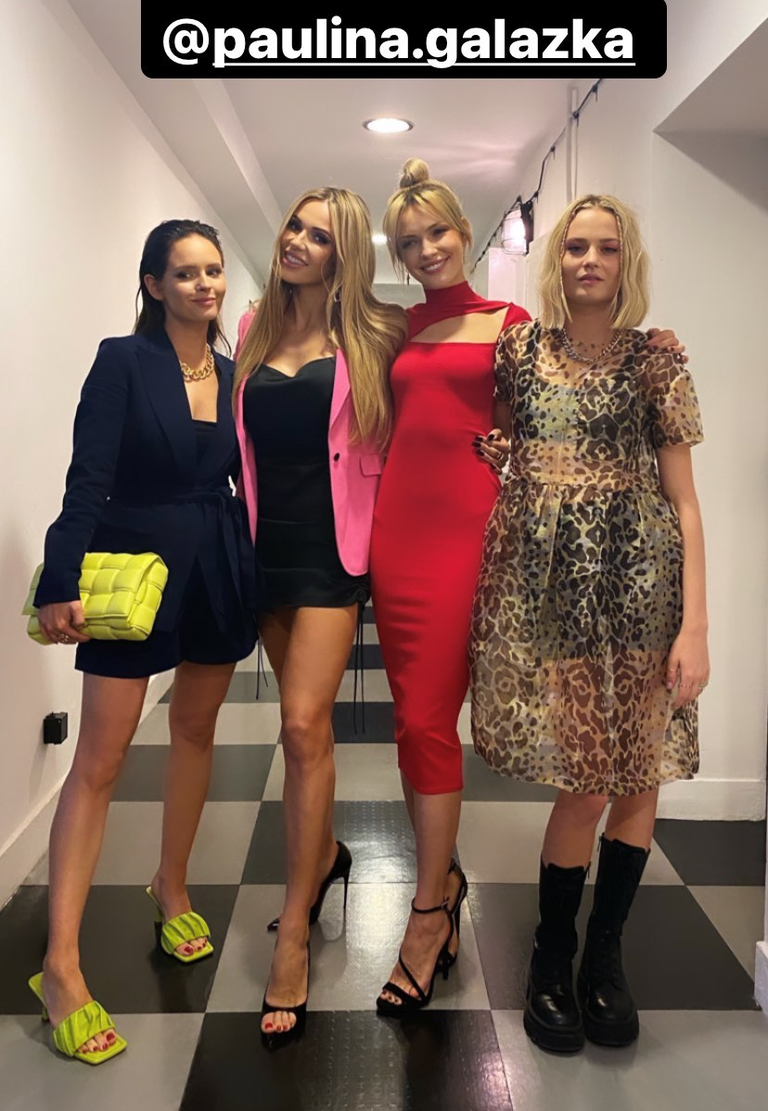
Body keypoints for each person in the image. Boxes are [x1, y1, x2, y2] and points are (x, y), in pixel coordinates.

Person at [468, 193, 708, 1053]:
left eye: (606, 247)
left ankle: (606, 953)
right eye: (576, 246)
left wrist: (695, 625)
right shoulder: (519, 351)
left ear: (625, 260)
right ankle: (550, 952)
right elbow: (501, 442)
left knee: (639, 774)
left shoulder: (657, 360)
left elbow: (685, 502)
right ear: (557, 259)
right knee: (585, 777)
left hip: (643, 586)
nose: (590, 261)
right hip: (553, 591)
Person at [28, 220, 259, 1065]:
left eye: (213, 270)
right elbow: (88, 474)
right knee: (101, 757)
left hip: (216, 565)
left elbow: (247, 475)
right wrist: (60, 573)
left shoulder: (233, 374)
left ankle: (172, 885)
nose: (205, 284)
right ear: (154, 284)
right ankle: (60, 964)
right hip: (134, 569)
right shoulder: (123, 360)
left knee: (194, 731)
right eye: (186, 272)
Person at [233, 187, 406, 1044]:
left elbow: (450, 377)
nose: (298, 240)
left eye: (321, 235)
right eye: (295, 226)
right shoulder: (251, 328)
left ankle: (294, 928)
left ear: (345, 256)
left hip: (335, 555)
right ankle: (327, 854)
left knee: (303, 724)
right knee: (303, 732)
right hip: (263, 549)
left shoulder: (373, 337)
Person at [370, 159, 530, 1016]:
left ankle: (428, 913)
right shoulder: (396, 327)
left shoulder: (510, 322)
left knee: (431, 720)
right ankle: (445, 877)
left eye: (437, 232)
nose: (426, 249)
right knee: (411, 721)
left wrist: (645, 346)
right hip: (397, 530)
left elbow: (542, 420)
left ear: (465, 232)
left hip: (468, 530)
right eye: (409, 241)